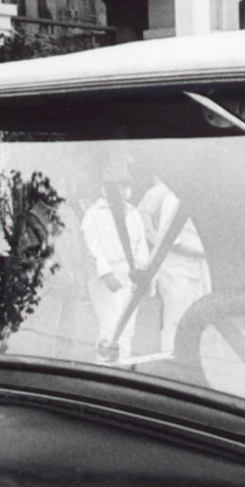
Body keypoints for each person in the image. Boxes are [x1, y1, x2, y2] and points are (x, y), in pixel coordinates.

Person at [132, 161, 212, 352]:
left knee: (199, 321)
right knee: (175, 321)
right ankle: (171, 362)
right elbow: (175, 242)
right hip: (178, 272)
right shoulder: (173, 200)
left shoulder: (198, 200)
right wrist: (208, 251)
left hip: (197, 269)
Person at [80, 147, 151, 361]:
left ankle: (123, 367)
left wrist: (142, 271)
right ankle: (105, 370)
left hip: (130, 275)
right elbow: (92, 248)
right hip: (106, 278)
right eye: (117, 186)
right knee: (110, 327)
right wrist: (107, 274)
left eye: (125, 185)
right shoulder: (94, 215)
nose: (121, 190)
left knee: (127, 329)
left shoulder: (133, 213)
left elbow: (140, 245)